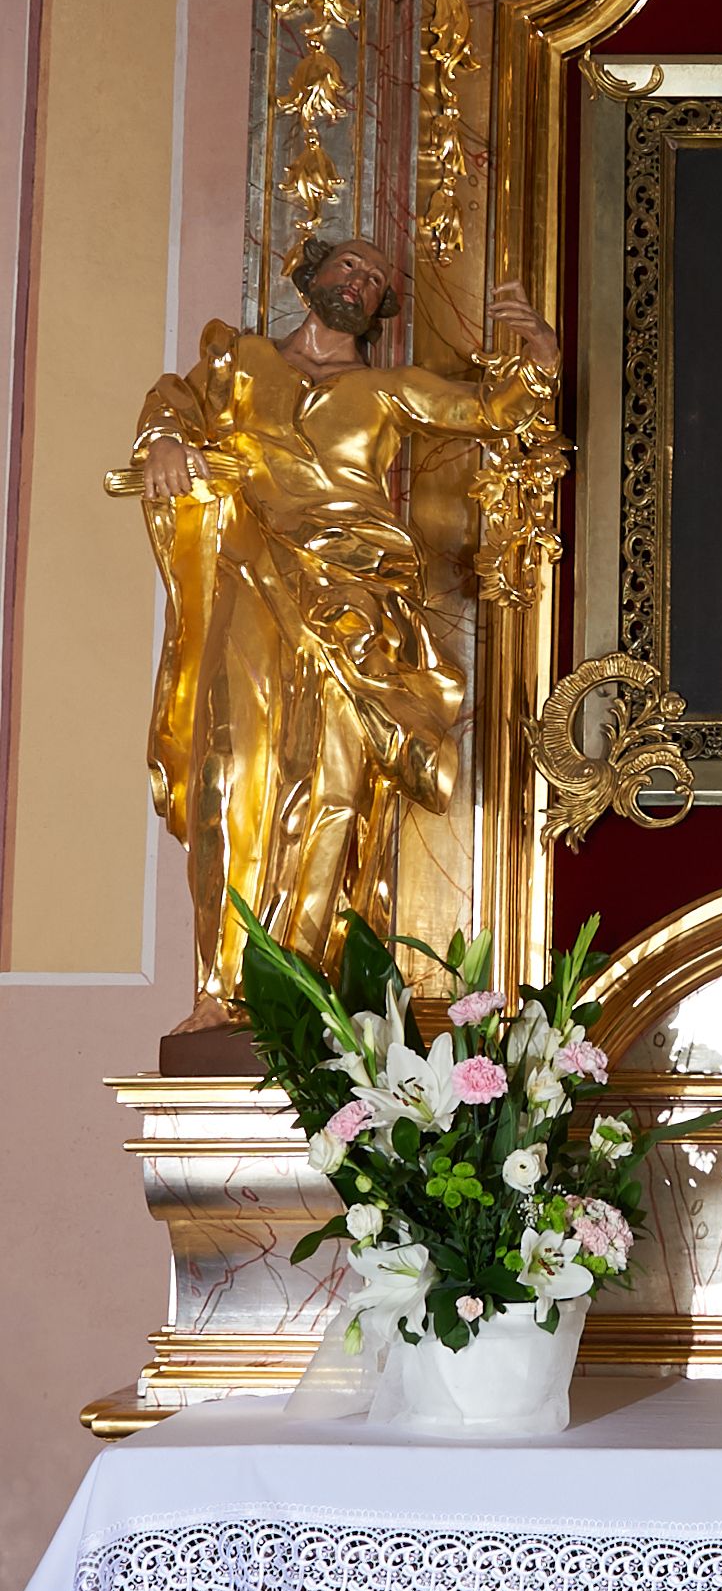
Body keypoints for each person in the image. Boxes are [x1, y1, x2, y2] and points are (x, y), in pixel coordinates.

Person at [128, 236, 559, 1031]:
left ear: (381, 307)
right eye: (349, 265)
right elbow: (175, 403)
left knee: (330, 785)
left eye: (375, 278)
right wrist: (162, 439)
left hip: (352, 598)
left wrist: (540, 355)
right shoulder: (240, 361)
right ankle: (220, 989)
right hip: (252, 572)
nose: (360, 281)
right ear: (311, 275)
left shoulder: (390, 388)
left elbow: (490, 412)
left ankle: (296, 994)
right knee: (230, 770)